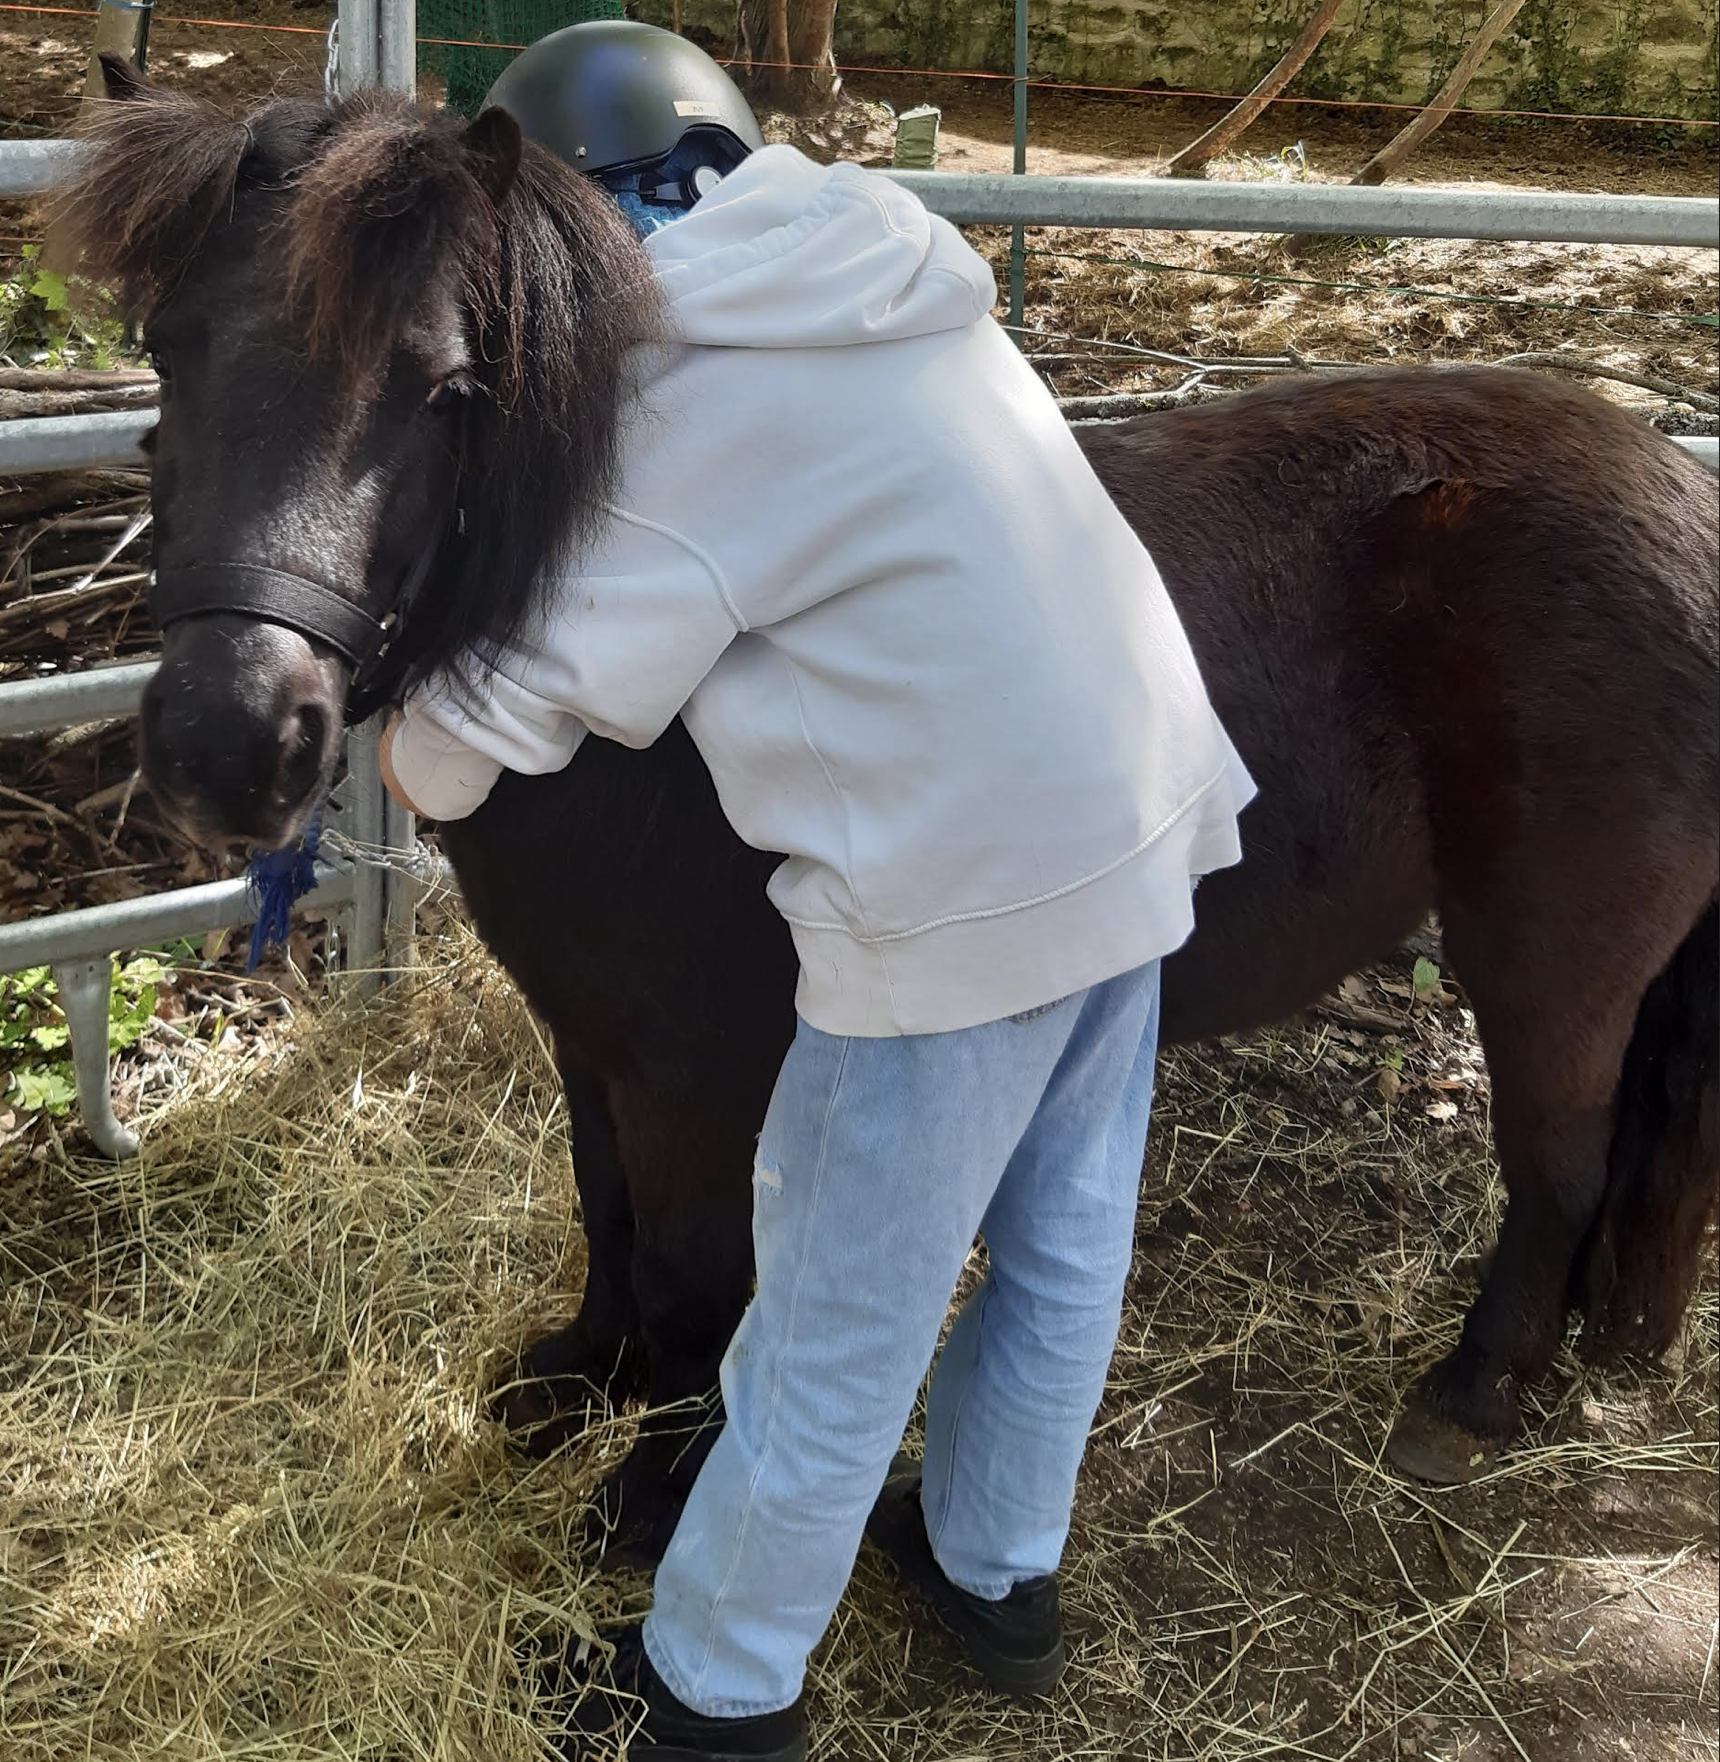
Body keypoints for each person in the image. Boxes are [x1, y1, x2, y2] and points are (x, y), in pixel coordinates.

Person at [379, 21, 1255, 1760]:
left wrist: (387, 736)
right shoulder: (887, 275)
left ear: (563, 230)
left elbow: (503, 722)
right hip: (1138, 820)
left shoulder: (693, 384)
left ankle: (718, 1690)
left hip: (961, 894)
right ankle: (998, 1565)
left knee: (836, 1312)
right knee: (1065, 1242)